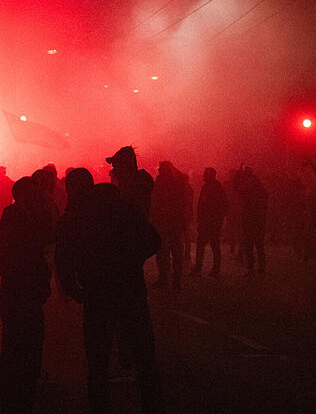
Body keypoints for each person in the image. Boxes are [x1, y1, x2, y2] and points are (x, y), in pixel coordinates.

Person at [57, 150, 163, 414]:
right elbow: (153, 240)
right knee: (145, 359)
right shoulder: (123, 206)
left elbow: (64, 255)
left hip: (98, 294)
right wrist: (130, 262)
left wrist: (74, 288)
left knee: (98, 362)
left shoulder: (77, 215)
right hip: (131, 291)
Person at [0, 176, 54, 414]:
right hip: (20, 295)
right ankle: (16, 402)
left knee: (21, 351)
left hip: (23, 294)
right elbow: (17, 261)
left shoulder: (23, 217)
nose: (38, 195)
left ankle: (17, 399)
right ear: (22, 195)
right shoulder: (16, 220)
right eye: (33, 192)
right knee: (20, 352)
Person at [150, 161, 186, 289]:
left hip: (165, 223)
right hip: (173, 223)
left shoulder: (162, 182)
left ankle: (165, 279)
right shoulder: (177, 182)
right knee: (175, 252)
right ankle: (175, 279)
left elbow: (156, 201)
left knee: (163, 252)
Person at [191, 167, 228, 277]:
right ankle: (202, 268)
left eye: (206, 174)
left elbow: (223, 205)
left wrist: (217, 219)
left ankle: (210, 269)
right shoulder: (208, 186)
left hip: (211, 222)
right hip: (206, 222)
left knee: (212, 245)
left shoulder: (215, 187)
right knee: (206, 245)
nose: (203, 176)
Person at [235, 167, 269, 276]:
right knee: (258, 245)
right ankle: (261, 268)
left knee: (250, 244)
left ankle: (252, 269)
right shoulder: (261, 189)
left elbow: (238, 189)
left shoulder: (249, 187)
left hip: (251, 218)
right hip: (258, 219)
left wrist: (237, 176)